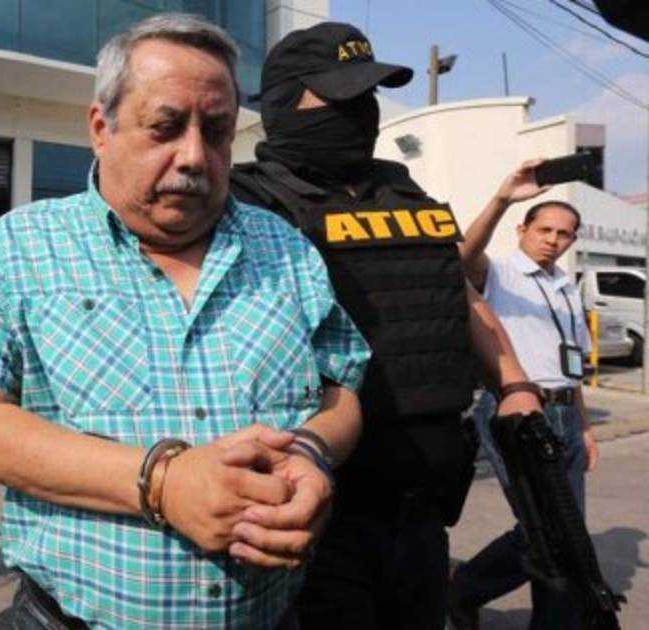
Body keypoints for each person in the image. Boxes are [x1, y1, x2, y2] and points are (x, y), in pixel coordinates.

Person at [0, 13, 372, 629]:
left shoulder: (286, 250)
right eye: (165, 127)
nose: (194, 157)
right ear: (101, 128)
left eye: (217, 133)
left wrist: (311, 451)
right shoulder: (21, 248)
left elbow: (341, 389)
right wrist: (163, 482)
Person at [228, 22, 543, 630]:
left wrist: (515, 383)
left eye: (367, 95)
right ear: (283, 104)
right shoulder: (244, 204)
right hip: (313, 509)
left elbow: (454, 293)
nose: (360, 111)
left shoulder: (402, 189)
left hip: (420, 508)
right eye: (341, 97)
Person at [449, 188, 599, 630]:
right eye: (544, 230)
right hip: (517, 412)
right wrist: (501, 199)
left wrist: (584, 428)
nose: (553, 240)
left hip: (565, 412)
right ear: (522, 230)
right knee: (546, 527)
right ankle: (463, 589)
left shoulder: (566, 287)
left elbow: (571, 368)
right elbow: (461, 258)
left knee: (566, 532)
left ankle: (539, 617)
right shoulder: (500, 274)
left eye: (563, 234)